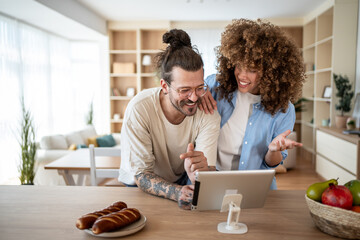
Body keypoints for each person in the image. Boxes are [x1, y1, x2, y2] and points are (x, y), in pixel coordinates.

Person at [118, 29, 220, 209]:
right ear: (165, 86)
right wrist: (176, 192)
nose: (194, 98)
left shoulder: (208, 112)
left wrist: (201, 174)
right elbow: (141, 174)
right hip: (137, 183)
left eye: (199, 87)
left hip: (181, 180)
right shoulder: (140, 108)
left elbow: (205, 175)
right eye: (184, 90)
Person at [199, 19, 305, 189]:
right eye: (238, 66)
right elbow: (192, 91)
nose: (242, 75)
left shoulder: (283, 110)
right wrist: (200, 91)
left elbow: (272, 164)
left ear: (272, 73)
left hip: (255, 186)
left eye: (252, 70)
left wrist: (273, 150)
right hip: (213, 179)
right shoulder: (216, 87)